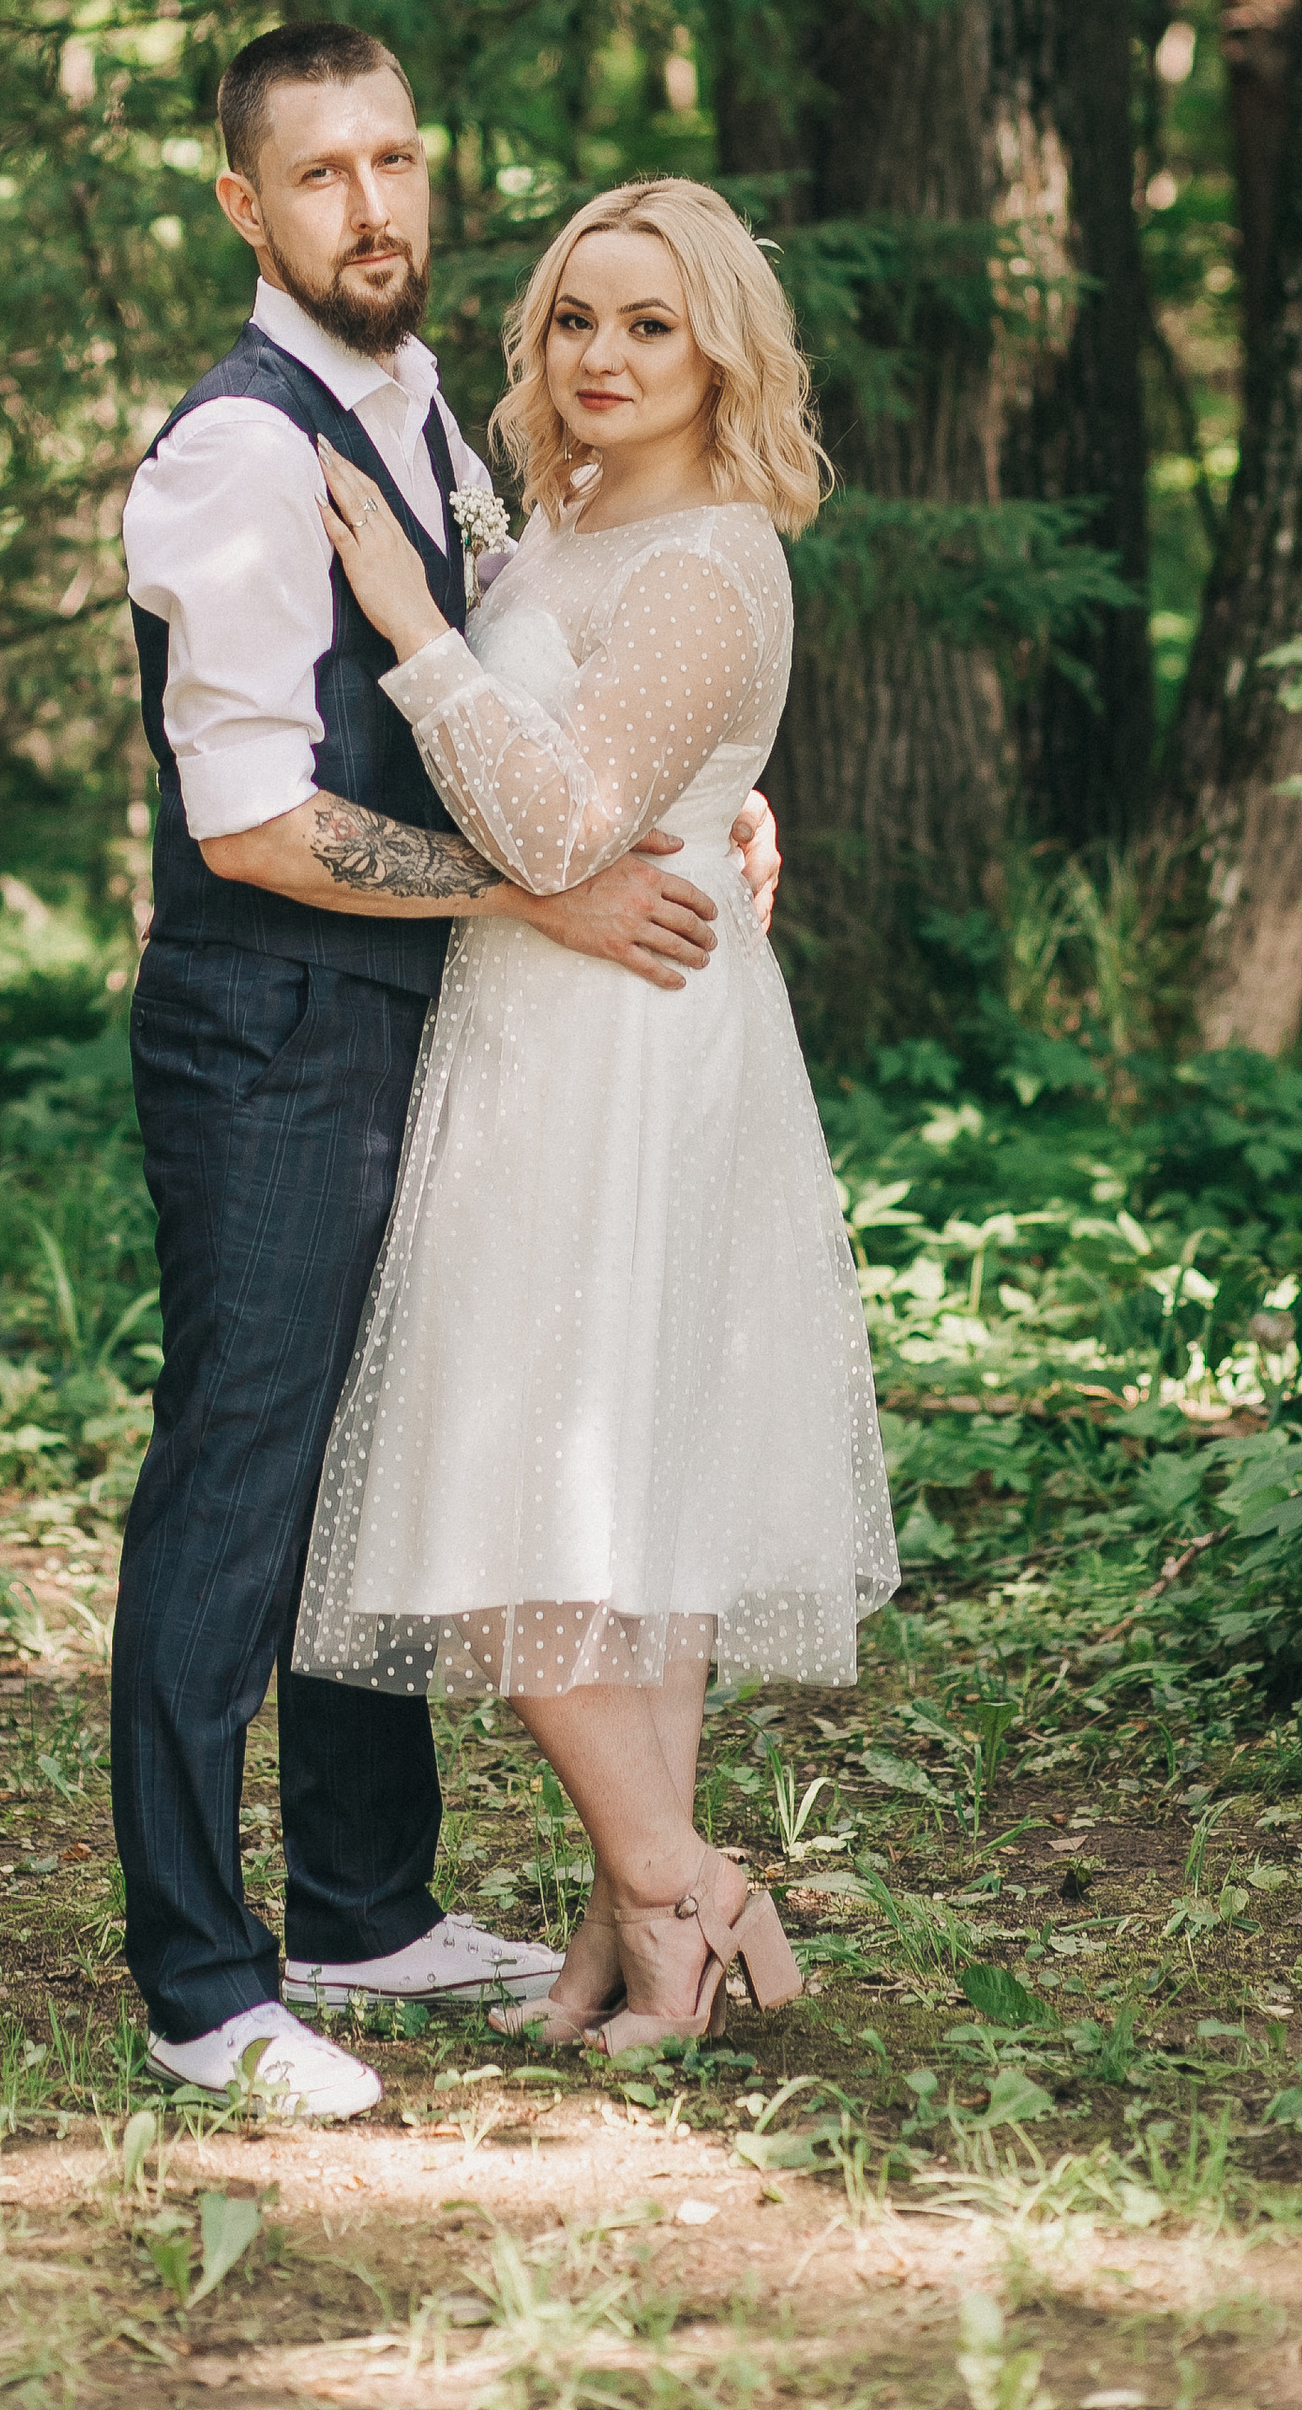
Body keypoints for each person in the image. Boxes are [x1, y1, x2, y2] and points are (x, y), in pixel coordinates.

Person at [115, 27, 782, 2121]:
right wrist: (531, 900)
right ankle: (204, 1985)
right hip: (275, 1027)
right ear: (245, 207)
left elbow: (580, 689)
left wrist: (718, 813)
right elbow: (252, 823)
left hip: (434, 1028)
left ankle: (364, 1907)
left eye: (394, 158)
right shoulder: (241, 450)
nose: (370, 206)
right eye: (317, 176)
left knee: (359, 1462)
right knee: (241, 1484)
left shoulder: (435, 424)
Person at [295, 176, 900, 2054]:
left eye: (651, 323)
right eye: (577, 317)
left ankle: (683, 1885)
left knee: (546, 1487)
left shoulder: (714, 558)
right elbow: (586, 771)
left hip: (622, 1037)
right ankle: (636, 1929)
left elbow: (555, 827)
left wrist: (408, 618)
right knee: (611, 1495)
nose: (606, 355)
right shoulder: (560, 511)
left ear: (720, 345)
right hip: (542, 1020)